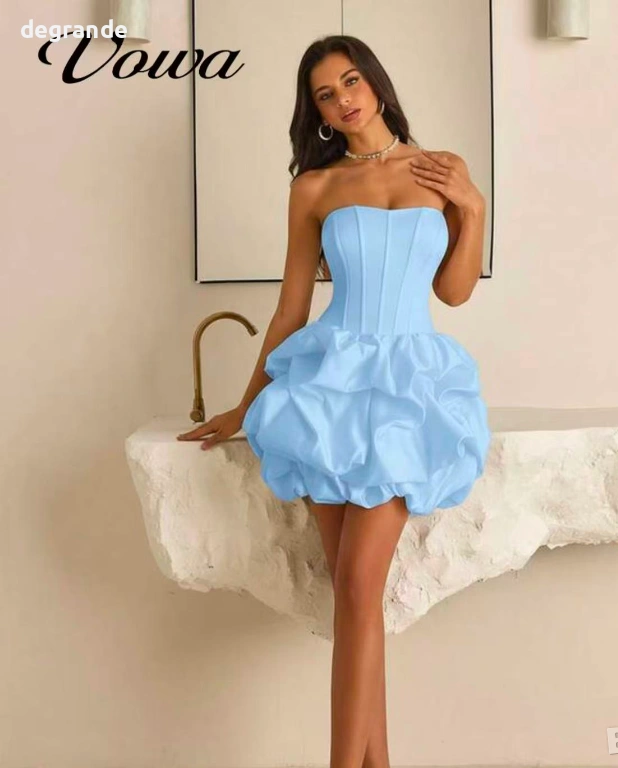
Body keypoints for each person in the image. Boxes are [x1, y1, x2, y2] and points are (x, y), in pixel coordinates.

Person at [177, 34, 491, 768]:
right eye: (325, 94)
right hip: (325, 392)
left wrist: (472, 208)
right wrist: (244, 405)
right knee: (354, 601)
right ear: (316, 112)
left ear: (374, 83)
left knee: (355, 590)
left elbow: (453, 293)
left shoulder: (440, 170)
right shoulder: (314, 189)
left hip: (406, 391)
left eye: (350, 81)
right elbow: (290, 310)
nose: (343, 99)